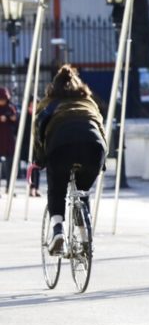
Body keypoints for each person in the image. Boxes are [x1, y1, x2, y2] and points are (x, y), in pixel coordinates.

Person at [33, 65, 107, 255]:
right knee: (82, 192)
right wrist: (102, 160)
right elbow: (101, 128)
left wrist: (39, 159)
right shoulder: (88, 102)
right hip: (93, 148)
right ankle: (85, 238)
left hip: (60, 146)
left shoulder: (48, 103)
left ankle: (58, 231)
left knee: (57, 190)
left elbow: (38, 130)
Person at [0, 87, 18, 192]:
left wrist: (12, 118)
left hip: (8, 140)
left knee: (10, 165)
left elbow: (15, 120)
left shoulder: (10, 108)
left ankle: (9, 187)